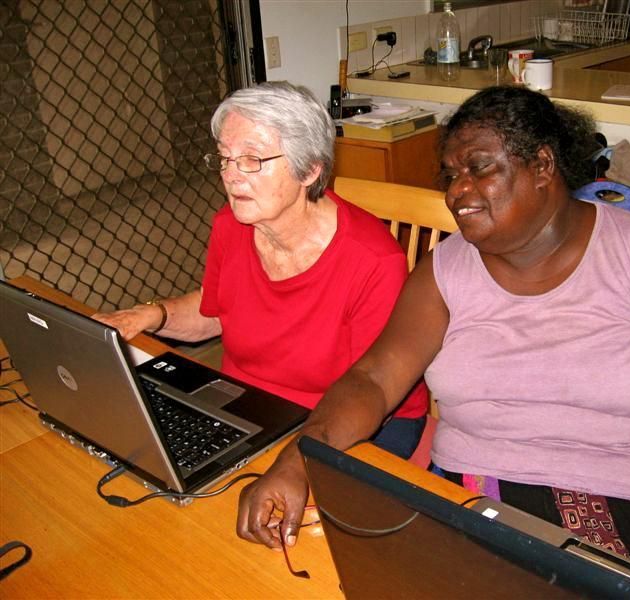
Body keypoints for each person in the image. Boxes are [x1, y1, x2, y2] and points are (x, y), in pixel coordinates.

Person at [235, 86, 630, 587]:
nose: (457, 191)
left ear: (543, 166)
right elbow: (372, 379)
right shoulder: (445, 271)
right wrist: (296, 461)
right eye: (452, 175)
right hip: (475, 489)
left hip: (623, 496)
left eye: (479, 169)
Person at [93, 81, 428, 459]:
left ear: (309, 171)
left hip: (346, 418)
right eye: (225, 158)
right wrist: (151, 315)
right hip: (248, 407)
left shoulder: (372, 262)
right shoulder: (230, 225)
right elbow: (216, 312)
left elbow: (370, 388)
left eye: (252, 159)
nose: (232, 175)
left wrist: (292, 458)